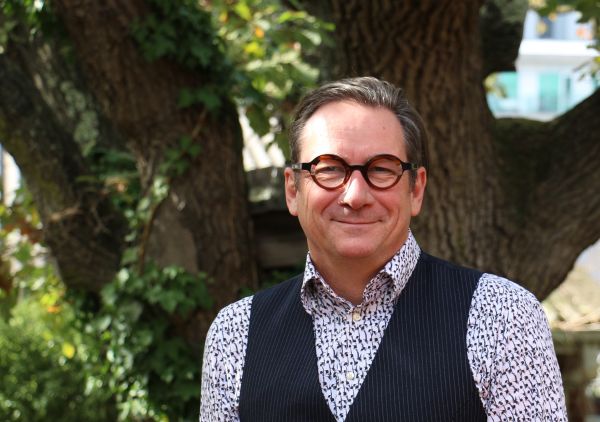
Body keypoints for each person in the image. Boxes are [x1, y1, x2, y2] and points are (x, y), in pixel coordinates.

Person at [200, 77, 566, 421]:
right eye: (329, 169)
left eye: (381, 169)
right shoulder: (235, 333)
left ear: (416, 190)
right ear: (293, 190)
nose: (355, 196)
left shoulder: (502, 316)